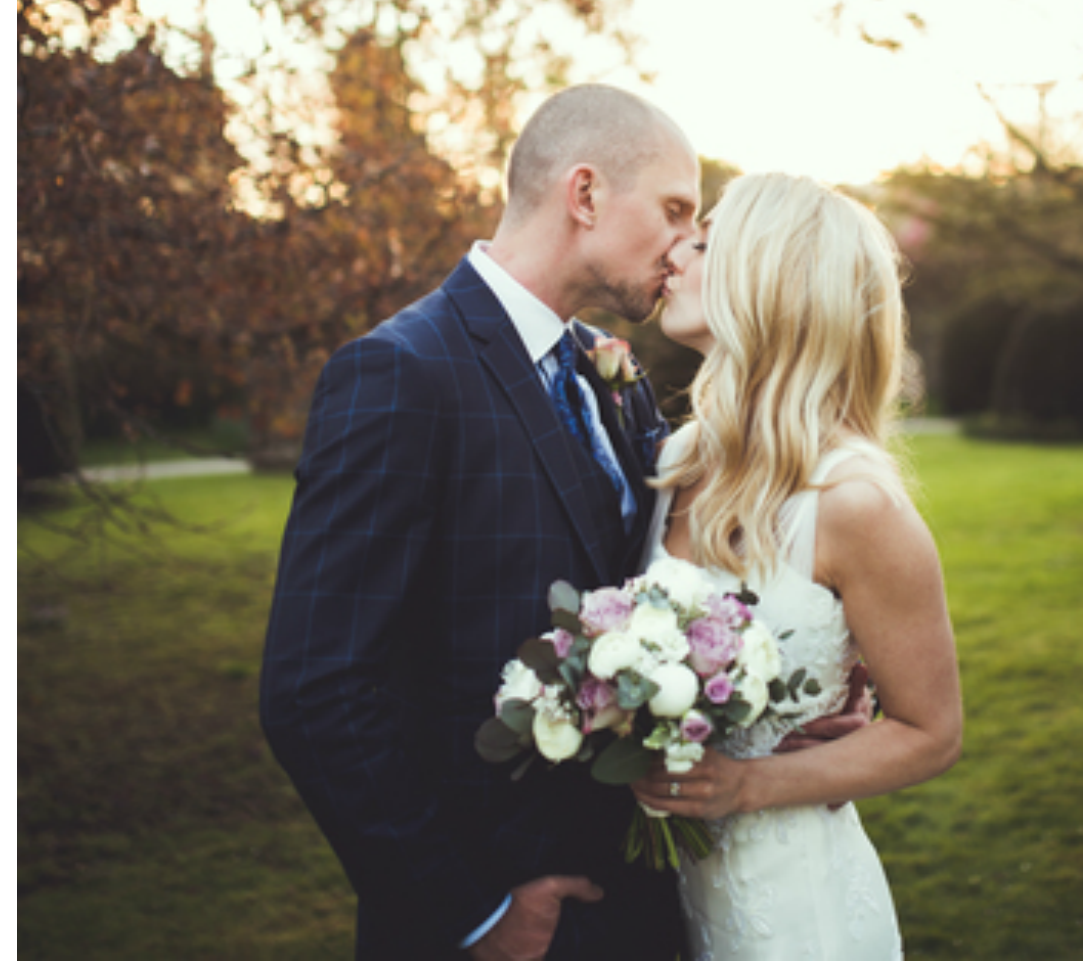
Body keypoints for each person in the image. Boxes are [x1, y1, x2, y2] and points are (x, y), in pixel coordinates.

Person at [260, 86, 867, 959]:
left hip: (639, 894)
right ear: (584, 195)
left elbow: (685, 578)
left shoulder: (600, 372)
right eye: (672, 210)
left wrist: (810, 689)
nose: (688, 244)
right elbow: (313, 691)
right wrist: (469, 916)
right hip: (499, 911)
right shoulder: (401, 374)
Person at [628, 172, 963, 961]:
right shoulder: (675, 458)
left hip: (794, 910)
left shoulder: (853, 502)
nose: (674, 253)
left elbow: (932, 731)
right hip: (663, 901)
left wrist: (747, 785)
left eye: (703, 241)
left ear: (769, 279)